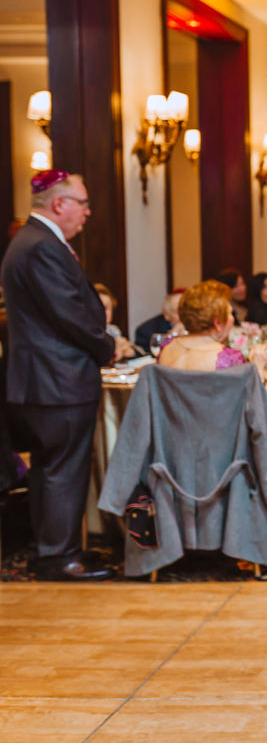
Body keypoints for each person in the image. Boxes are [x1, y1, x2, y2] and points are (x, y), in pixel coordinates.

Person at [1, 170, 115, 580]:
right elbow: (68, 314)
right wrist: (107, 347)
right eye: (82, 203)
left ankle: (56, 549)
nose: (87, 212)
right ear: (59, 204)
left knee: (53, 469)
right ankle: (59, 558)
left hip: (47, 378)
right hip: (57, 379)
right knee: (63, 471)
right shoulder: (41, 247)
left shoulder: (32, 242)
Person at [157, 280, 267, 376]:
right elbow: (248, 399)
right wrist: (258, 368)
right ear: (217, 323)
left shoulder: (166, 347)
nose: (232, 318)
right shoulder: (228, 359)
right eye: (229, 313)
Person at [93, 283, 136, 360]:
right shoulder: (86, 331)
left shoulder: (113, 330)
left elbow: (127, 353)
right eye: (100, 307)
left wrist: (127, 350)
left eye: (107, 308)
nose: (104, 312)